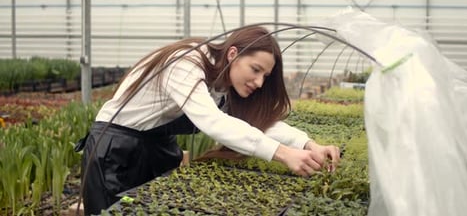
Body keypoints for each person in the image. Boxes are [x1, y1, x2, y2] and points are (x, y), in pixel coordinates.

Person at [79, 26, 341, 215]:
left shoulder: (223, 82)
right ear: (233, 54)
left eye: (265, 75)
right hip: (114, 151)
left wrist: (307, 144)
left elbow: (255, 122)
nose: (259, 82)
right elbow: (214, 123)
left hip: (156, 146)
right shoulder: (185, 63)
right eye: (256, 70)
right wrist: (283, 154)